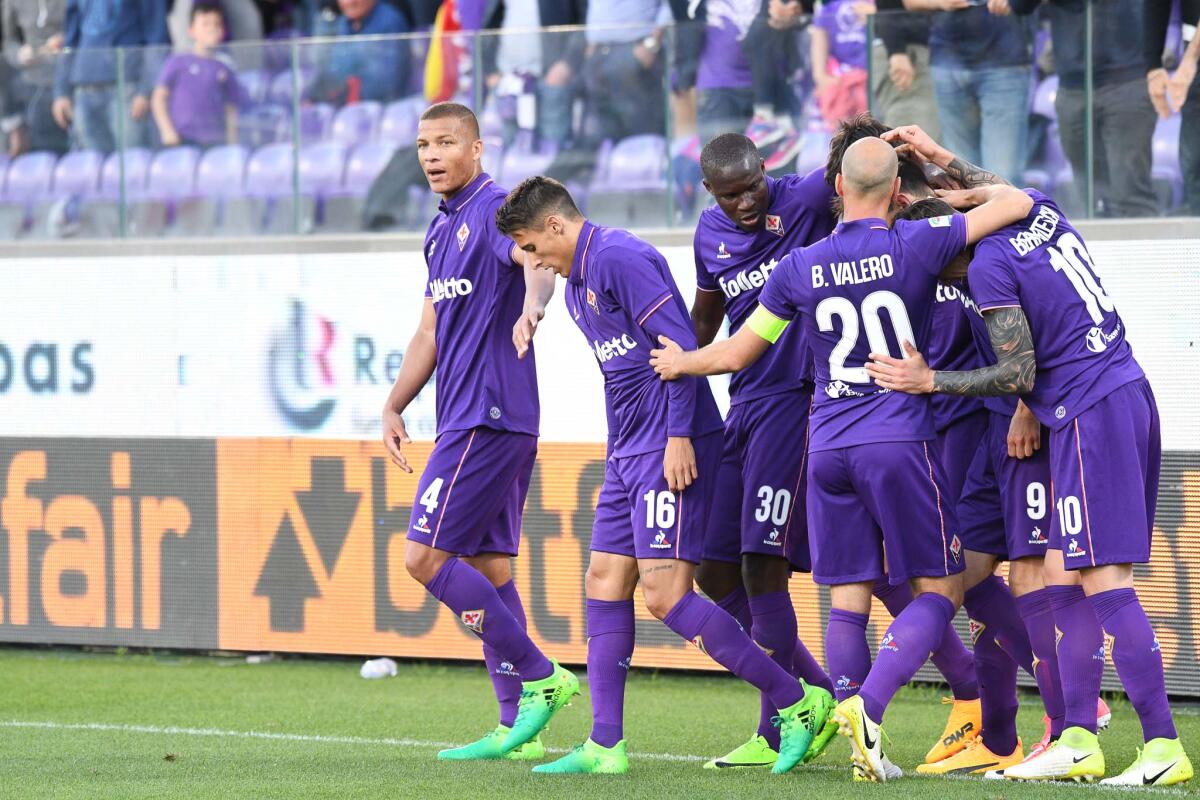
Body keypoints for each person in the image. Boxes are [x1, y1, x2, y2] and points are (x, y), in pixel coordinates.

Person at [650, 136, 1034, 782]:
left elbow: (739, 351)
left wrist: (680, 361)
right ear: (893, 195)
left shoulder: (798, 268)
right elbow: (1017, 202)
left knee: (848, 599)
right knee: (939, 590)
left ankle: (860, 748)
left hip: (827, 444)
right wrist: (955, 177)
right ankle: (869, 707)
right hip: (898, 438)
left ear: (835, 194)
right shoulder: (916, 241)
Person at [496, 175, 836, 776]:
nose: (530, 259)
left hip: (669, 443)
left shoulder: (621, 257)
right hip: (628, 449)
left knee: (666, 595)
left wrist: (680, 436)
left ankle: (797, 700)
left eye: (529, 245)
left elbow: (678, 348)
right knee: (603, 578)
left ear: (554, 226)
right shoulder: (575, 282)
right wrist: (534, 306)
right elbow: (621, 372)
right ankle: (605, 745)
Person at [865, 184, 1194, 785]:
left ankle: (1163, 747)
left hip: (1092, 411)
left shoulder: (987, 268)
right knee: (1058, 575)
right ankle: (1075, 738)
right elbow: (998, 188)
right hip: (1107, 399)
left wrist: (928, 379)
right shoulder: (1035, 207)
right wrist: (941, 160)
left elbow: (1020, 370)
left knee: (1103, 579)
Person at [385, 102, 574, 764]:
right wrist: (395, 403)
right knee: (490, 570)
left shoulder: (496, 212)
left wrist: (533, 307)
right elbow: (429, 332)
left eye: (444, 142)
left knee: (424, 559)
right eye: (421, 146)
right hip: (478, 419)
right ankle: (515, 727)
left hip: (487, 417)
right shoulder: (439, 234)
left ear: (477, 149)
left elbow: (537, 262)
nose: (431, 155)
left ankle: (541, 678)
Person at [690, 133, 840, 770]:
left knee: (760, 565)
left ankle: (780, 725)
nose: (746, 202)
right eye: (731, 195)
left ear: (764, 171)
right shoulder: (707, 236)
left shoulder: (806, 197)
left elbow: (862, 170)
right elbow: (704, 317)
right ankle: (818, 695)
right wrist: (672, 381)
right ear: (710, 193)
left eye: (752, 186)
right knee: (713, 570)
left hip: (799, 398)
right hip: (742, 402)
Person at [1011, 0, 1157, 217]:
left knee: (1131, 192)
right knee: (1091, 195)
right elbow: (1020, 5)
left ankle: (1145, 249)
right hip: (1073, 86)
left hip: (1127, 80)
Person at [902, 0, 1033, 183]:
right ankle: (972, 212)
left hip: (1004, 63)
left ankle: (1008, 211)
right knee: (958, 170)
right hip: (947, 61)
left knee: (1004, 172)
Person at [52, 0, 171, 153]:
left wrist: (146, 90)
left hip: (127, 88)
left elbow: (157, 38)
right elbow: (70, 39)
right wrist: (61, 91)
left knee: (131, 164)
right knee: (91, 167)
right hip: (84, 88)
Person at [480, 0, 587, 147]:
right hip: (508, 80)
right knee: (511, 149)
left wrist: (567, 64)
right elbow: (489, 24)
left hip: (551, 78)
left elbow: (585, 19)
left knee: (552, 148)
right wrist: (491, 71)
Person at [152, 4, 244, 148]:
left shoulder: (225, 66)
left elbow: (231, 107)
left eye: (217, 24)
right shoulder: (177, 61)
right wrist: (167, 131)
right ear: (192, 30)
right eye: (205, 24)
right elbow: (159, 98)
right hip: (182, 140)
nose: (212, 28)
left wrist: (232, 141)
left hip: (215, 142)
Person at [1145, 0, 1200, 215]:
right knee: (1194, 169)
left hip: (1192, 63)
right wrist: (1153, 66)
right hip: (1194, 71)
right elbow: (1155, 5)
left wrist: (1190, 58)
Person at [306, 0, 410, 105]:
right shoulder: (343, 22)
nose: (349, 2)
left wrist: (347, 89)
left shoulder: (390, 21)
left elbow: (388, 84)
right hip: (345, 106)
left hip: (381, 108)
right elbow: (330, 69)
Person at [2, 0, 69, 154]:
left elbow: (84, 26)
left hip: (70, 81)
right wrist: (19, 54)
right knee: (44, 153)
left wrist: (67, 39)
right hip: (34, 86)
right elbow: (9, 42)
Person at [810, 0, 869, 129]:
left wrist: (875, 16)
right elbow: (819, 38)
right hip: (838, 81)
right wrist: (820, 75)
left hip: (868, 83)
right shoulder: (828, 8)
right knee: (840, 131)